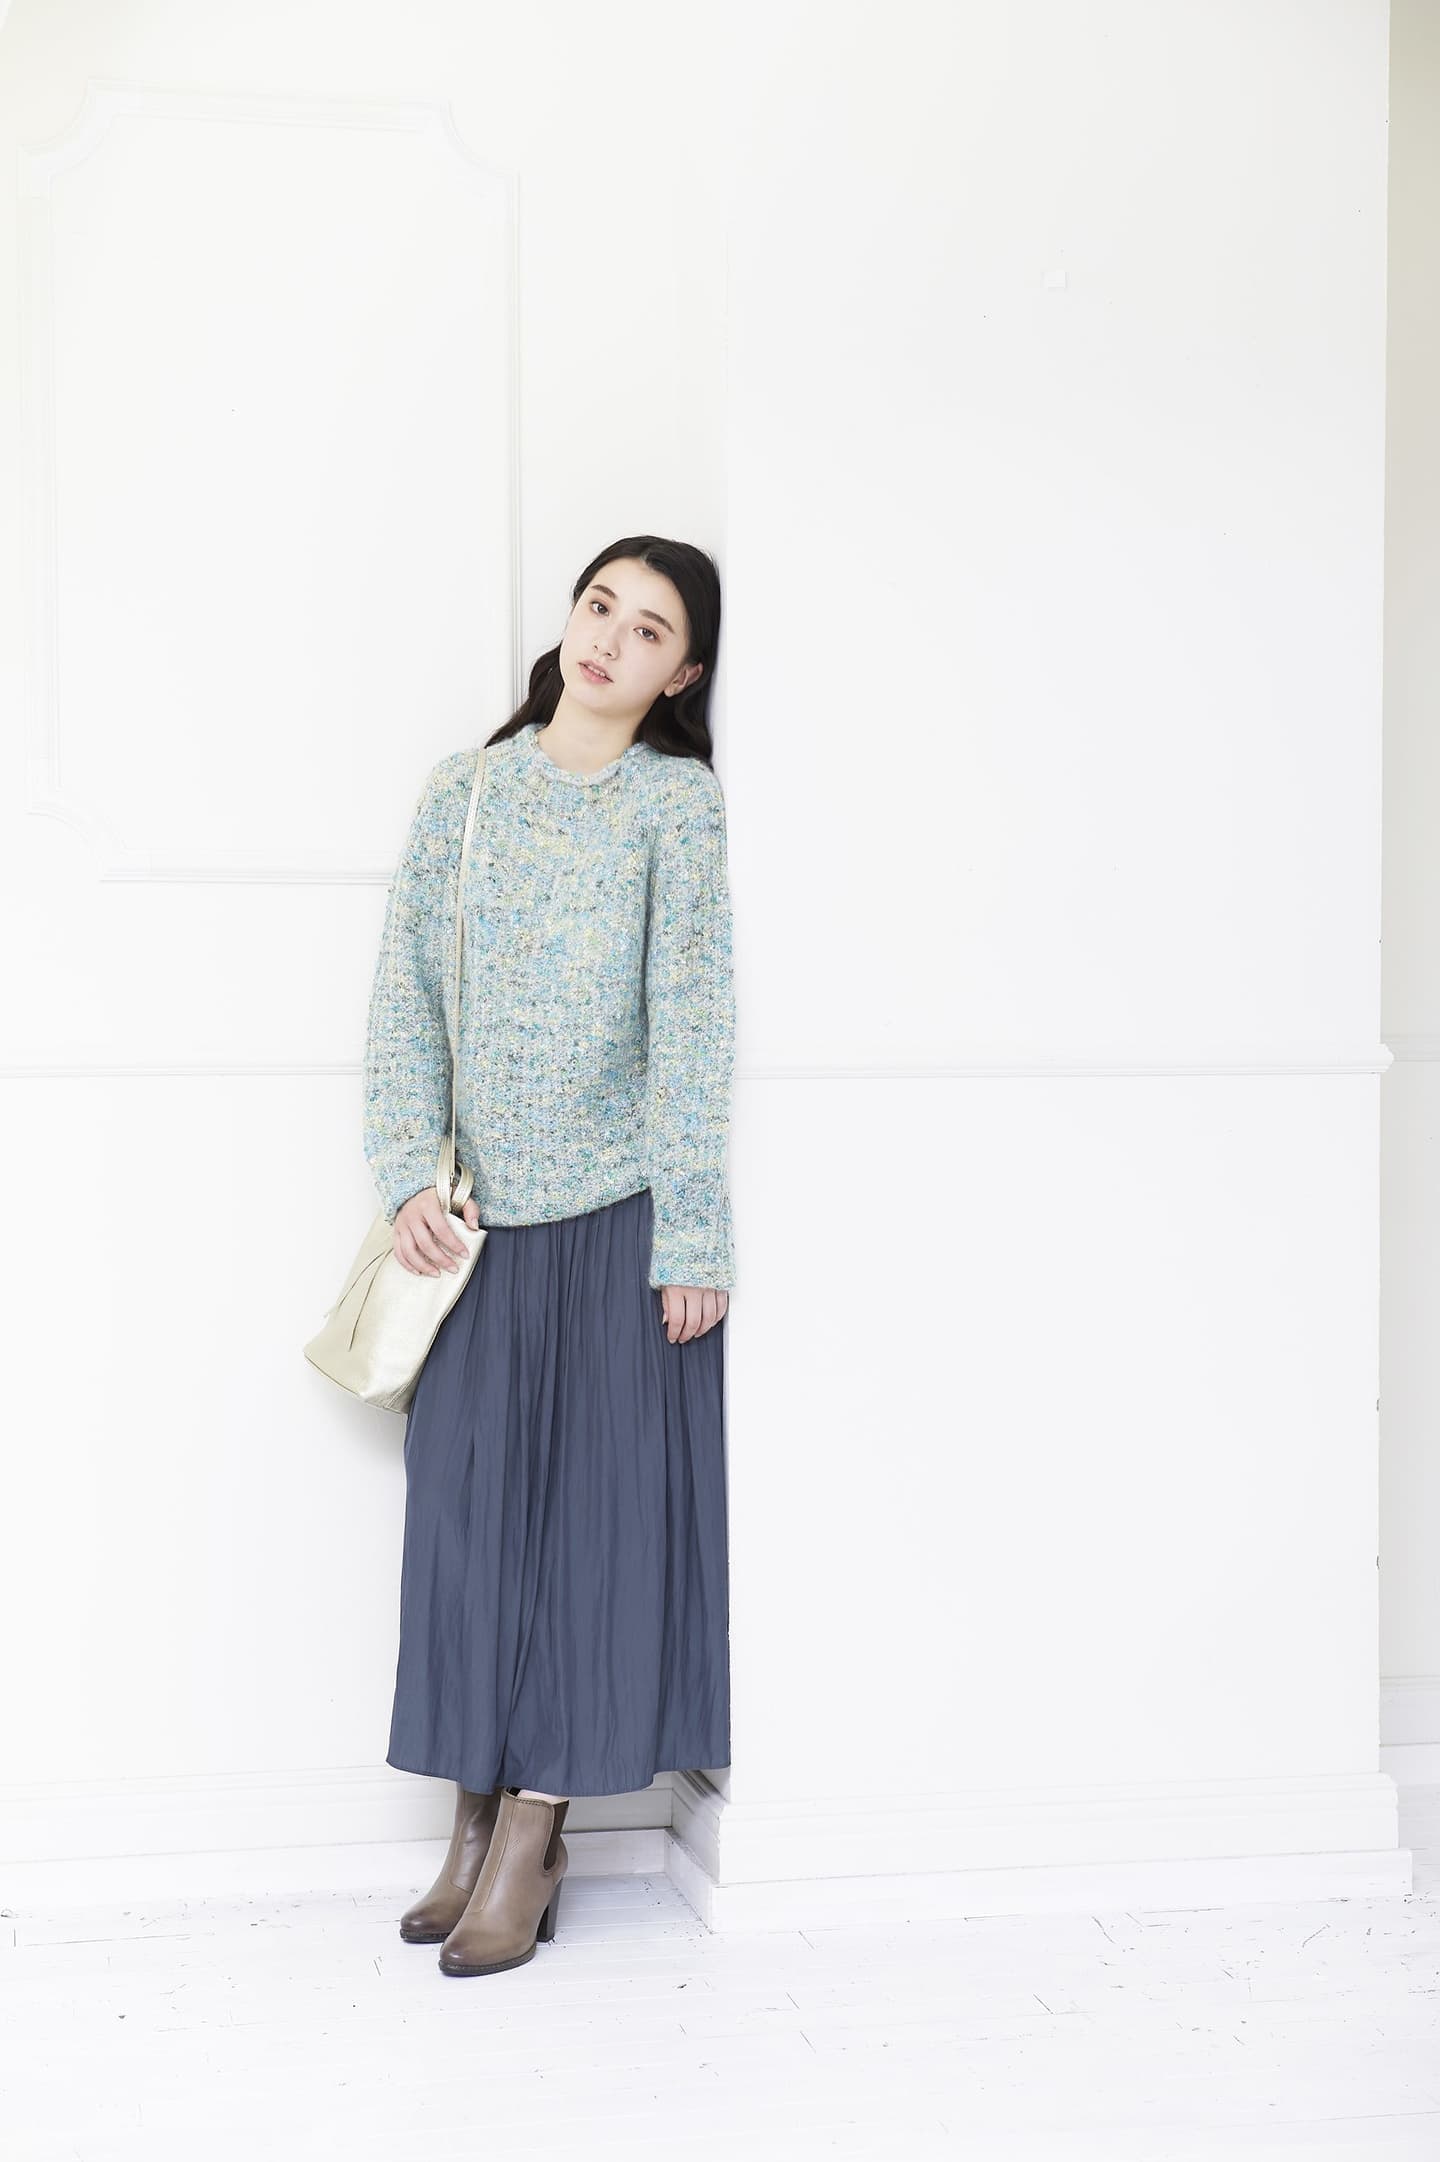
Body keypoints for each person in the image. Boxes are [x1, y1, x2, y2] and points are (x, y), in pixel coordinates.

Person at [360, 535, 735, 1981]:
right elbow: (406, 995)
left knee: (590, 1540)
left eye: (648, 631)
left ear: (680, 674)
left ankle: (533, 1833)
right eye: (599, 608)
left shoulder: (675, 806)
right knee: (466, 1530)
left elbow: (692, 1019)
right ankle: (471, 1818)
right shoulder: (463, 794)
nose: (609, 641)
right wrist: (409, 1169)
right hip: (474, 1229)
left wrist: (692, 1231)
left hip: (622, 1218)